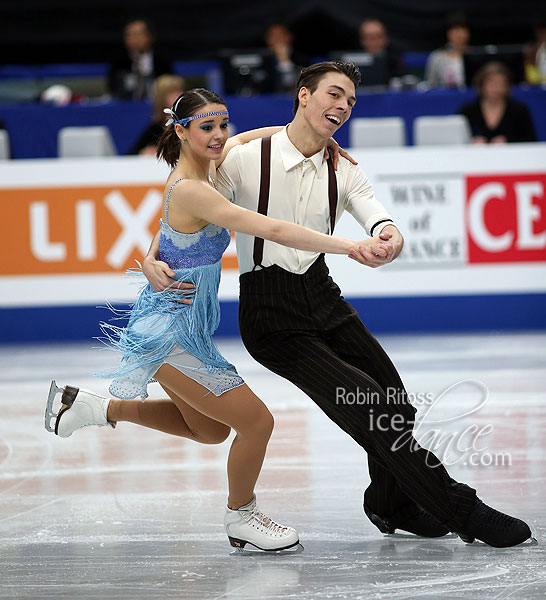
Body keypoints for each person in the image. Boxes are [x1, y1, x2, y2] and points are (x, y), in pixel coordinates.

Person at [143, 61, 533, 548]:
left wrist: (388, 237)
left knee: (392, 397)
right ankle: (462, 510)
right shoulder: (244, 159)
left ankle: (391, 505)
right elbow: (189, 216)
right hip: (272, 315)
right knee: (368, 406)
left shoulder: (344, 167)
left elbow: (376, 214)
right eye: (334, 94)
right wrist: (151, 256)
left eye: (350, 99)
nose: (343, 106)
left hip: (322, 296)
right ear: (303, 96)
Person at [44, 88, 370, 553]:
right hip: (167, 336)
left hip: (186, 330)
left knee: (211, 430)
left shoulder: (210, 166)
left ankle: (92, 408)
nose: (219, 136)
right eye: (206, 127)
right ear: (181, 131)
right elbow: (273, 228)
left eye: (222, 124)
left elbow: (261, 138)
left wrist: (318, 138)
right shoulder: (194, 187)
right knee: (257, 423)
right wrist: (350, 246)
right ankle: (242, 515)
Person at [459, 61, 537, 143]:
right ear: (481, 85)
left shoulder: (519, 110)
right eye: (491, 83)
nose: (495, 88)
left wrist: (508, 141)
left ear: (508, 86)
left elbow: (531, 140)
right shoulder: (468, 110)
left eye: (500, 83)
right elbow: (456, 139)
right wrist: (471, 142)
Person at [108, 18, 171, 100]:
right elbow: (113, 89)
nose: (133, 38)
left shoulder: (162, 61)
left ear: (150, 36)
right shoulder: (118, 62)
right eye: (128, 35)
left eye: (137, 34)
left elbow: (170, 87)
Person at [129, 74, 185, 155]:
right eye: (173, 93)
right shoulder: (154, 129)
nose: (179, 96)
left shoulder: (189, 124)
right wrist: (144, 152)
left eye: (180, 91)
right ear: (161, 99)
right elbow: (131, 154)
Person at [426, 13, 470, 88]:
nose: (459, 34)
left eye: (462, 29)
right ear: (448, 33)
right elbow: (431, 84)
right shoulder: (437, 57)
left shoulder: (475, 56)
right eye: (455, 30)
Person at [263, 23, 307, 93]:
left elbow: (299, 86)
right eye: (273, 36)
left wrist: (284, 61)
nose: (277, 40)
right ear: (267, 39)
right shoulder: (263, 61)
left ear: (289, 37)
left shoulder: (302, 59)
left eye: (280, 35)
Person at [358, 18, 404, 84]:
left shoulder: (395, 62)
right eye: (370, 38)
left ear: (386, 39)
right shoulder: (354, 66)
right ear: (362, 41)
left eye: (378, 37)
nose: (374, 42)